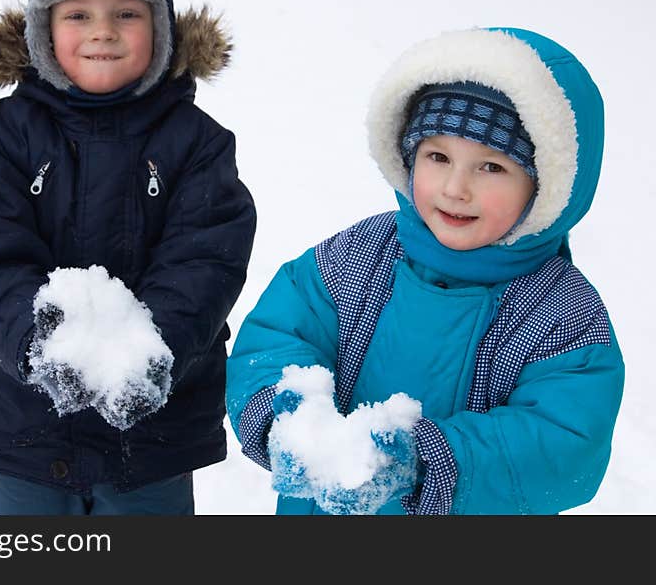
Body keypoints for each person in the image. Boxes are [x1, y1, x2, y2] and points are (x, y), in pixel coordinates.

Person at [226, 27, 624, 515]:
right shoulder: (362, 253)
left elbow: (562, 447)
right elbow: (278, 333)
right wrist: (284, 414)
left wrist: (427, 460)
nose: (456, 188)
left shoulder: (562, 314)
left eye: (492, 167)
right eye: (438, 157)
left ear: (548, 186)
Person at [0, 0, 256, 515]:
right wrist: (42, 343)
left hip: (151, 440)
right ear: (42, 27)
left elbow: (205, 259)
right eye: (78, 14)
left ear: (160, 25)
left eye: (127, 14)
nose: (103, 33)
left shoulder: (199, 145)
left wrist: (151, 352)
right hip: (22, 430)